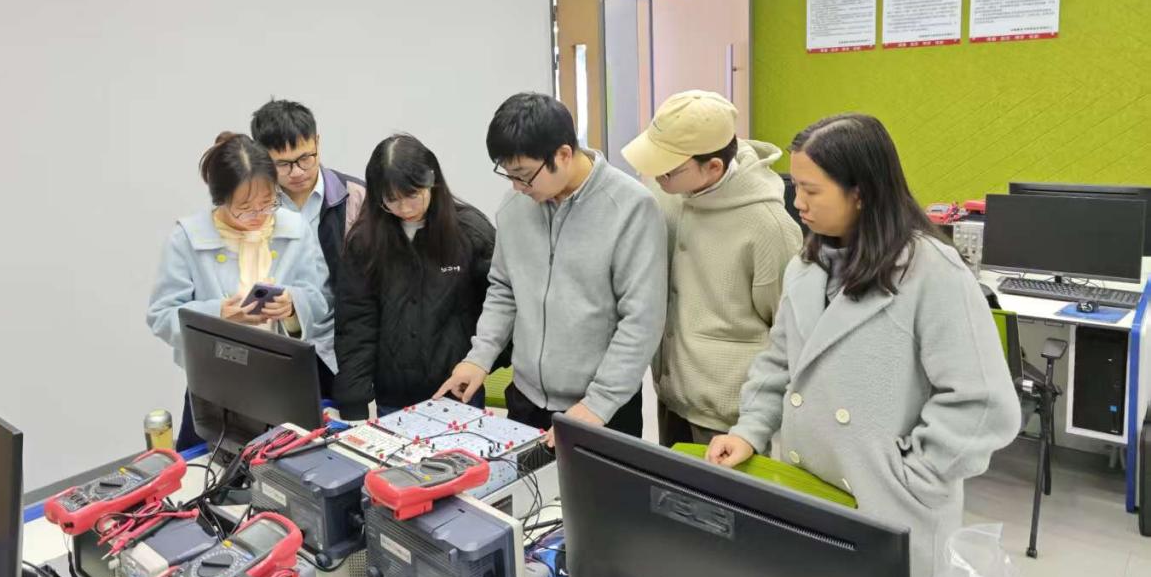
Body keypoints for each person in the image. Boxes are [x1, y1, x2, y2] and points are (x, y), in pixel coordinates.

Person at [705, 113, 1020, 577]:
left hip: (889, 507)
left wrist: (912, 476)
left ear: (862, 193)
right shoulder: (805, 266)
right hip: (807, 489)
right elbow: (778, 363)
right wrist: (749, 431)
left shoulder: (933, 272)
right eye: (795, 187)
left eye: (811, 190)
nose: (797, 203)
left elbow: (983, 404)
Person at [436, 93, 667, 444]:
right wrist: (479, 358)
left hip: (600, 409)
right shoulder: (516, 206)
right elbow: (504, 289)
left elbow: (641, 320)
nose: (517, 187)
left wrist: (599, 404)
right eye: (509, 175)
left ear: (563, 154)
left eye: (525, 175)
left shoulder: (631, 208)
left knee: (591, 485)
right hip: (526, 400)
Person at [622, 90, 803, 448]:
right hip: (671, 395)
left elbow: (788, 331)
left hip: (730, 416)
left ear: (714, 167)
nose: (657, 177)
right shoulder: (667, 194)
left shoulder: (768, 226)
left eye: (668, 170)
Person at [332, 135, 497, 420]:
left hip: (458, 392)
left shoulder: (471, 232)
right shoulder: (365, 242)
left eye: (412, 195)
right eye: (391, 200)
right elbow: (356, 323)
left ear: (432, 181)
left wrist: (482, 363)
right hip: (394, 396)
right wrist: (353, 400)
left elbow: (500, 306)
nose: (405, 209)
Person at [146, 132, 331, 366]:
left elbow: (318, 299)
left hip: (281, 371)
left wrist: (293, 306)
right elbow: (161, 315)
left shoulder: (295, 228)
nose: (259, 215)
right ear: (221, 199)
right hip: (213, 374)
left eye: (268, 203)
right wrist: (218, 314)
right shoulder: (188, 237)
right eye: (245, 208)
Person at [250, 99, 364, 397]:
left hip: (342, 350)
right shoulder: (252, 207)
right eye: (283, 164)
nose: (297, 171)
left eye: (305, 158)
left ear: (317, 143)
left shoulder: (356, 198)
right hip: (278, 350)